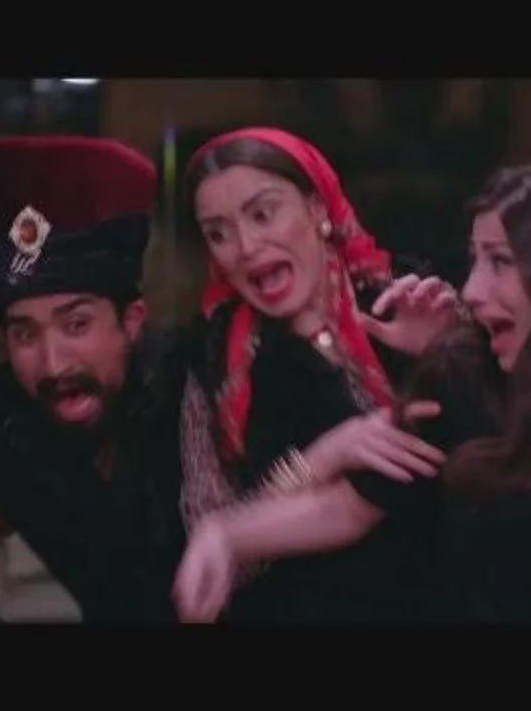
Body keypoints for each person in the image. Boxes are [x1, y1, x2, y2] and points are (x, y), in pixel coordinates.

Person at [175, 162, 531, 623]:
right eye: (474, 260)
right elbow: (348, 508)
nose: (471, 290)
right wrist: (226, 534)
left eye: (499, 261)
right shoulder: (460, 385)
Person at [173, 127, 471, 622]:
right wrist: (322, 458)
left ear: (316, 208)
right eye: (218, 233)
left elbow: (491, 474)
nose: (245, 246)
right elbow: (217, 555)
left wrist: (442, 355)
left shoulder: (410, 301)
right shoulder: (212, 362)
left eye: (262, 214)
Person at [0, 135, 187, 622]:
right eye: (24, 334)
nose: (53, 366)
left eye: (77, 325)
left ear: (132, 320)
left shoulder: (195, 382)